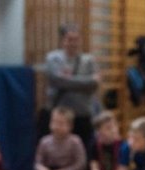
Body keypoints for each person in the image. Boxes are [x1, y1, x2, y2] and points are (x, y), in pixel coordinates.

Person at [41, 23, 101, 151]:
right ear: (63, 41)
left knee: (85, 152)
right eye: (69, 39)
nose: (73, 43)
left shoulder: (89, 60)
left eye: (76, 39)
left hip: (83, 114)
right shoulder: (53, 58)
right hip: (60, 116)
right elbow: (57, 81)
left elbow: (95, 84)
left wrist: (69, 81)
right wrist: (86, 82)